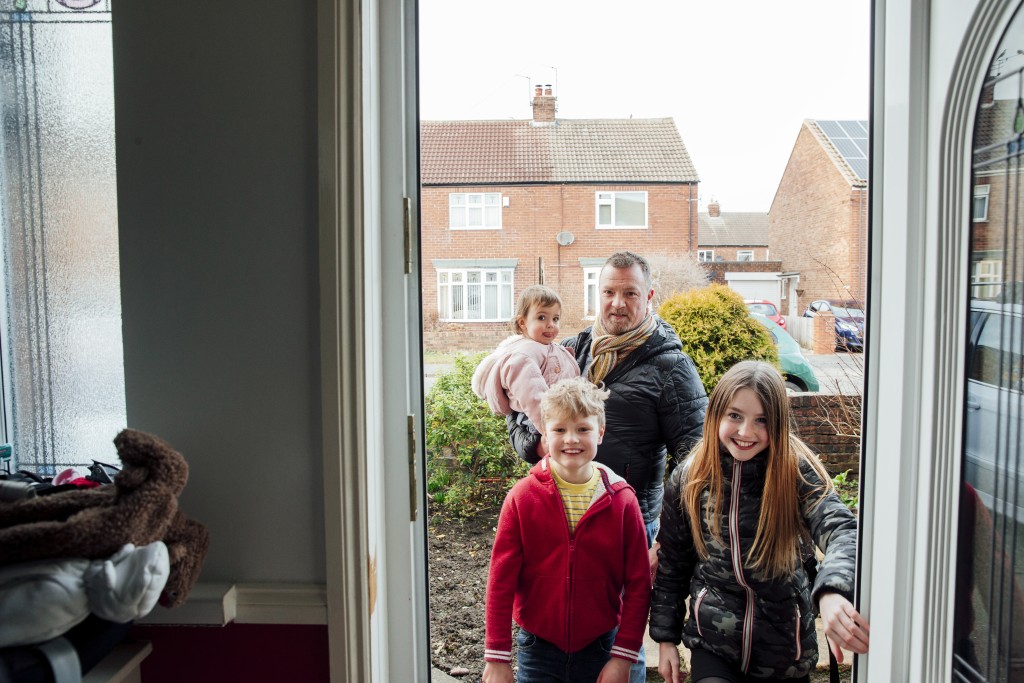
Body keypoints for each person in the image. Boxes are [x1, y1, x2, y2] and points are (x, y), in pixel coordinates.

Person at [650, 361, 869, 683]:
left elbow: (842, 529)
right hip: (713, 644)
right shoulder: (690, 477)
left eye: (762, 420)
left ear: (778, 424)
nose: (745, 432)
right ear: (716, 415)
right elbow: (673, 564)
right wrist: (666, 638)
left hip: (785, 647)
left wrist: (833, 591)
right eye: (735, 416)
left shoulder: (794, 470)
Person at [483, 377, 651, 683]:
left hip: (601, 645)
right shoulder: (522, 498)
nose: (571, 439)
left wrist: (623, 656)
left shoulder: (622, 501)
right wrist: (497, 656)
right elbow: (500, 580)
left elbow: (639, 584)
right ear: (545, 435)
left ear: (599, 432)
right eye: (559, 430)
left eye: (582, 429)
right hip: (538, 647)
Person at [472, 284, 580, 436]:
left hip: (557, 417)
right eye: (542, 317)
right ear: (522, 322)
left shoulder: (548, 347)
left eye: (555, 319)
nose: (550, 325)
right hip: (539, 421)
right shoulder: (524, 355)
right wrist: (554, 432)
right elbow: (534, 398)